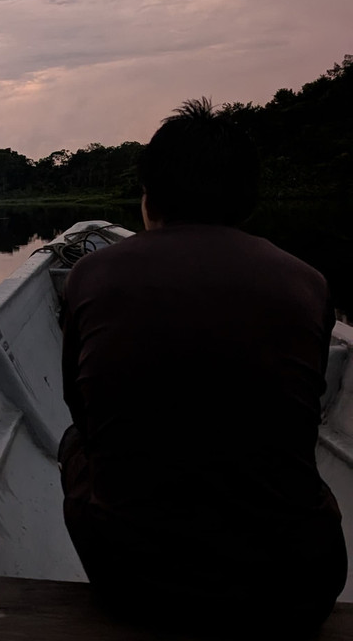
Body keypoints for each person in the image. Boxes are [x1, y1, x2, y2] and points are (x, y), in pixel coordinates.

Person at [58, 99, 346, 636]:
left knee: (73, 440)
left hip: (135, 583)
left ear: (149, 197)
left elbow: (83, 411)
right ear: (248, 200)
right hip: (299, 585)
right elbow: (305, 410)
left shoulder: (90, 276)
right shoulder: (307, 282)